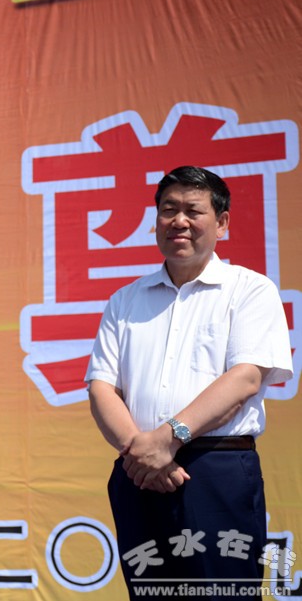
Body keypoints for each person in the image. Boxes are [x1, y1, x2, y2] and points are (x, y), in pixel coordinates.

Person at [86, 166, 293, 599]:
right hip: (138, 473)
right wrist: (142, 452)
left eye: (193, 211)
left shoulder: (249, 290)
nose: (178, 221)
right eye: (168, 210)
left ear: (222, 223)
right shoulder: (125, 300)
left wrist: (168, 439)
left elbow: (245, 378)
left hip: (216, 472)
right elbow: (102, 387)